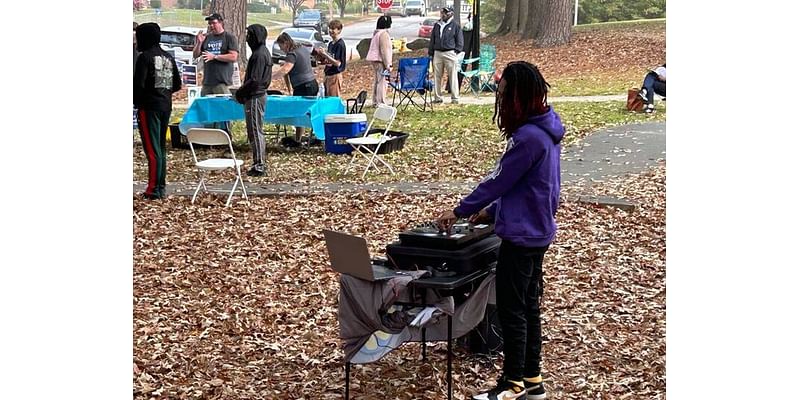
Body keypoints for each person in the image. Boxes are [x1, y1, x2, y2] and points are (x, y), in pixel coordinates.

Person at [436, 61, 564, 400]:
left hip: (523, 238)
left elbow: (499, 181)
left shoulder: (529, 139)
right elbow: (530, 188)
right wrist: (490, 213)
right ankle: (533, 379)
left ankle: (511, 384)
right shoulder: (545, 132)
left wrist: (460, 209)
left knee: (512, 310)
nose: (501, 100)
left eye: (505, 93)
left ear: (520, 95)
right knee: (528, 307)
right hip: (536, 230)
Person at [133, 22, 182, 200]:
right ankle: (160, 185)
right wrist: (164, 93)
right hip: (165, 106)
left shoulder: (144, 57)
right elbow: (177, 84)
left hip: (148, 107)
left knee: (152, 150)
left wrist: (137, 101)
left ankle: (153, 188)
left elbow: (138, 84)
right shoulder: (168, 56)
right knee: (160, 148)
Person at [234, 24, 273, 177]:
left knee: (255, 131)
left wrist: (240, 92)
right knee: (254, 130)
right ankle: (258, 161)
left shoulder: (260, 55)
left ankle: (259, 164)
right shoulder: (260, 53)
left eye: (249, 35)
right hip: (254, 95)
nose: (247, 39)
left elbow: (255, 80)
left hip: (256, 96)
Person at [271, 32, 319, 142]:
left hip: (303, 86)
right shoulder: (302, 48)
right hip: (312, 83)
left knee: (299, 112)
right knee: (308, 111)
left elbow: (286, 69)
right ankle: (305, 136)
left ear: (286, 43)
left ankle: (299, 139)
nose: (281, 49)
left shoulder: (292, 54)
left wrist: (270, 78)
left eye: (281, 46)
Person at [428, 6, 463, 104]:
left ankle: (455, 97)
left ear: (450, 14)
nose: (443, 15)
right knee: (437, 76)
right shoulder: (437, 25)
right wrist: (431, 52)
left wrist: (456, 51)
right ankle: (438, 97)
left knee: (452, 75)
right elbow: (432, 39)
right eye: (442, 13)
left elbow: (459, 40)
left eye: (445, 13)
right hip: (437, 53)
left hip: (450, 52)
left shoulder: (455, 25)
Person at [365, 15, 393, 107]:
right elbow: (385, 51)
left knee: (377, 81)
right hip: (380, 60)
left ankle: (375, 101)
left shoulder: (376, 33)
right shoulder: (384, 34)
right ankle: (381, 101)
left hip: (374, 60)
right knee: (382, 81)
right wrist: (388, 64)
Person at [319, 19, 347, 98]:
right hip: (327, 75)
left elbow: (338, 63)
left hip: (335, 76)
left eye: (333, 29)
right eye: (330, 28)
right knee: (326, 99)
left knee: (333, 100)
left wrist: (325, 54)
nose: (331, 31)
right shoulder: (331, 44)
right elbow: (329, 60)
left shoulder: (340, 44)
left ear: (339, 30)